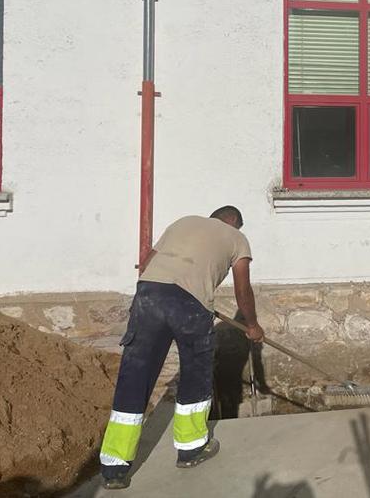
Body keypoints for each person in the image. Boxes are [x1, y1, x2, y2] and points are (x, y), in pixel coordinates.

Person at [99, 206, 265, 489]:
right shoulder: (237, 238)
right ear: (234, 223)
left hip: (148, 294)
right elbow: (242, 289)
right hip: (190, 304)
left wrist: (160, 294)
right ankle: (191, 449)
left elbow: (149, 259)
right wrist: (252, 325)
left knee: (135, 375)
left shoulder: (183, 222)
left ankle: (114, 466)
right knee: (194, 373)